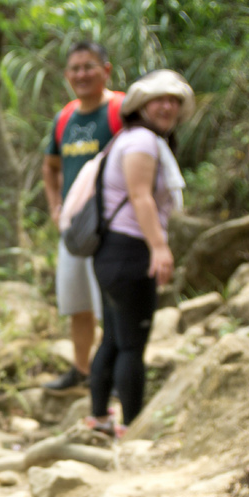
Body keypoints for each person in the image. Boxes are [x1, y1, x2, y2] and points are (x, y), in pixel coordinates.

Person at [86, 70, 195, 438]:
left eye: (173, 100)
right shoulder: (143, 143)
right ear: (141, 106)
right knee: (132, 345)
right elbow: (140, 196)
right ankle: (130, 428)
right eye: (158, 100)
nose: (167, 106)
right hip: (130, 252)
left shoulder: (127, 139)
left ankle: (99, 418)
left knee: (115, 339)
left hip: (110, 252)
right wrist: (159, 248)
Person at [42, 41, 124, 391]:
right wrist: (54, 204)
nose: (81, 74)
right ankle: (81, 371)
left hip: (113, 223)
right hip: (75, 226)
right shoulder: (65, 118)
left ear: (105, 69)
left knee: (113, 302)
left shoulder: (121, 109)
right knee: (78, 302)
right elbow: (51, 165)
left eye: (88, 66)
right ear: (66, 75)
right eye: (75, 68)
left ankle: (117, 373)